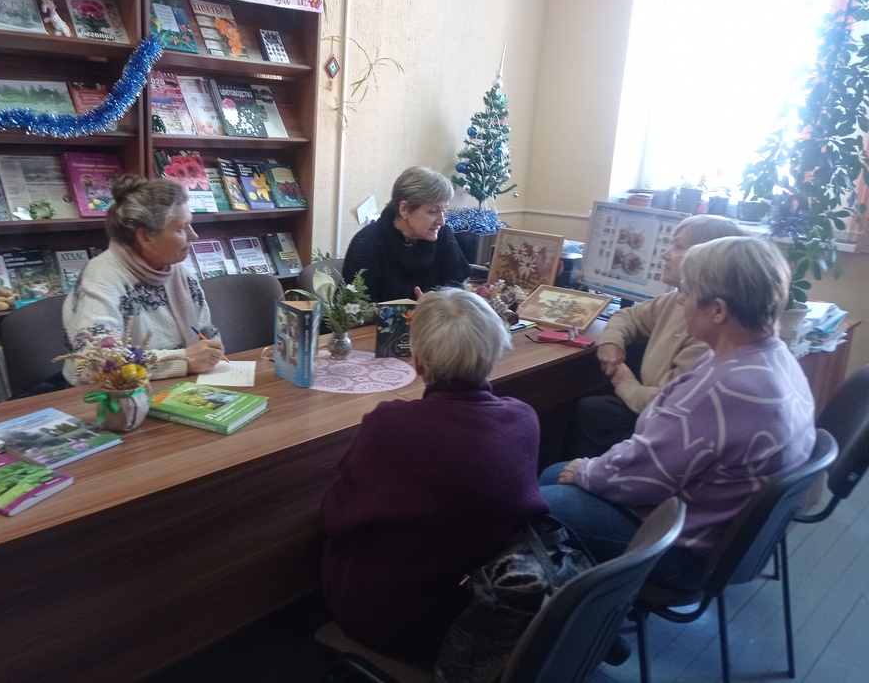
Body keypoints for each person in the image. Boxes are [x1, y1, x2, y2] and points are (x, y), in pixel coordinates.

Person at [540, 236, 815, 589]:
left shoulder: (723, 389)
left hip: (684, 551)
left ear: (718, 310)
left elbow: (639, 479)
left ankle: (581, 608)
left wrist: (586, 471)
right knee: (560, 473)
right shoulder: (774, 357)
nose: (681, 299)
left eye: (686, 291)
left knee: (540, 497)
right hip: (725, 533)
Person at [319, 288, 549, 658]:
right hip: (487, 610)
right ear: (493, 354)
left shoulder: (389, 425)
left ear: (417, 361)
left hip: (396, 621)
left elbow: (334, 518)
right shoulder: (524, 419)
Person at [567, 214, 746, 458]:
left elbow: (669, 406)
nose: (665, 254)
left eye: (678, 246)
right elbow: (627, 316)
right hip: (649, 405)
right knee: (592, 408)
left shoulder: (710, 331)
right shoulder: (675, 299)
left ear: (704, 258)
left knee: (590, 413)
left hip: (664, 425)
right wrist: (611, 342)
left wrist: (625, 383)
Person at [63, 176, 224, 383]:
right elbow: (95, 362)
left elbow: (205, 333)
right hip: (107, 395)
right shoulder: (102, 278)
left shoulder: (179, 272)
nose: (194, 236)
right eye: (181, 229)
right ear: (146, 237)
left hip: (175, 384)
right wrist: (182, 359)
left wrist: (211, 352)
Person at [342, 166, 471, 303]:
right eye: (433, 211)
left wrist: (437, 304)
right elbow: (356, 311)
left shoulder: (442, 235)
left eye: (444, 210)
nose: (442, 221)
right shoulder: (367, 244)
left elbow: (459, 291)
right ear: (405, 209)